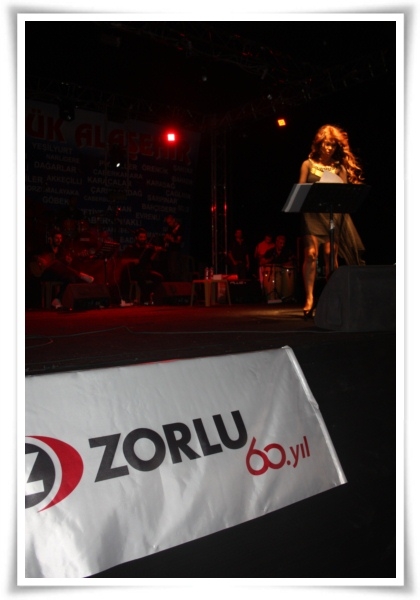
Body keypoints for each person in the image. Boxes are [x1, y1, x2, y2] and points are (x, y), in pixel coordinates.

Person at [298, 124, 365, 318]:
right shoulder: (307, 164)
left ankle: (331, 297)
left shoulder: (339, 167)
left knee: (330, 254)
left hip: (331, 215)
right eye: (326, 144)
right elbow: (300, 190)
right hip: (311, 214)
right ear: (319, 144)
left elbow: (344, 194)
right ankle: (309, 298)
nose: (329, 148)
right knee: (311, 254)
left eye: (333, 145)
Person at [30, 228, 94, 309]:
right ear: (51, 239)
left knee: (71, 279)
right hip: (45, 273)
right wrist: (39, 259)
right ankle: (80, 275)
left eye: (60, 238)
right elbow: (31, 254)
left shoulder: (62, 250)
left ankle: (57, 299)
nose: (59, 240)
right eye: (57, 238)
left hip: (57, 274)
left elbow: (63, 266)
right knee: (56, 262)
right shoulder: (45, 247)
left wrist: (68, 262)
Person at [122, 228, 164, 304]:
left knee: (159, 277)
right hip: (134, 271)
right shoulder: (131, 247)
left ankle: (149, 293)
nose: (143, 239)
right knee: (141, 277)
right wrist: (133, 260)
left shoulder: (147, 248)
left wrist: (156, 252)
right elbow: (123, 260)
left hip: (145, 270)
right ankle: (145, 298)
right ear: (136, 238)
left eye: (144, 237)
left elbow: (150, 260)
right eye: (141, 237)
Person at [163, 214, 183, 281]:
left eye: (170, 222)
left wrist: (172, 240)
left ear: (173, 220)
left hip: (175, 251)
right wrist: (166, 238)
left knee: (174, 268)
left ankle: (176, 283)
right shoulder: (170, 228)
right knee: (170, 268)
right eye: (168, 223)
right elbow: (167, 236)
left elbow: (179, 241)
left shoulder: (179, 228)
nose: (169, 224)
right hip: (169, 250)